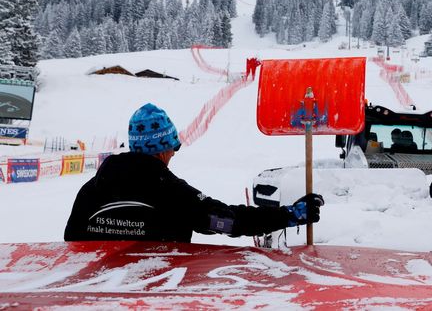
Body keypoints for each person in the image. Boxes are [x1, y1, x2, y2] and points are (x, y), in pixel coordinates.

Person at [64, 103, 324, 242]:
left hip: (97, 295)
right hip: (156, 295)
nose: (174, 154)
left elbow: (72, 242)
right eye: (173, 147)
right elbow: (227, 221)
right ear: (162, 150)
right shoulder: (169, 191)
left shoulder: (91, 189)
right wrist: (289, 215)